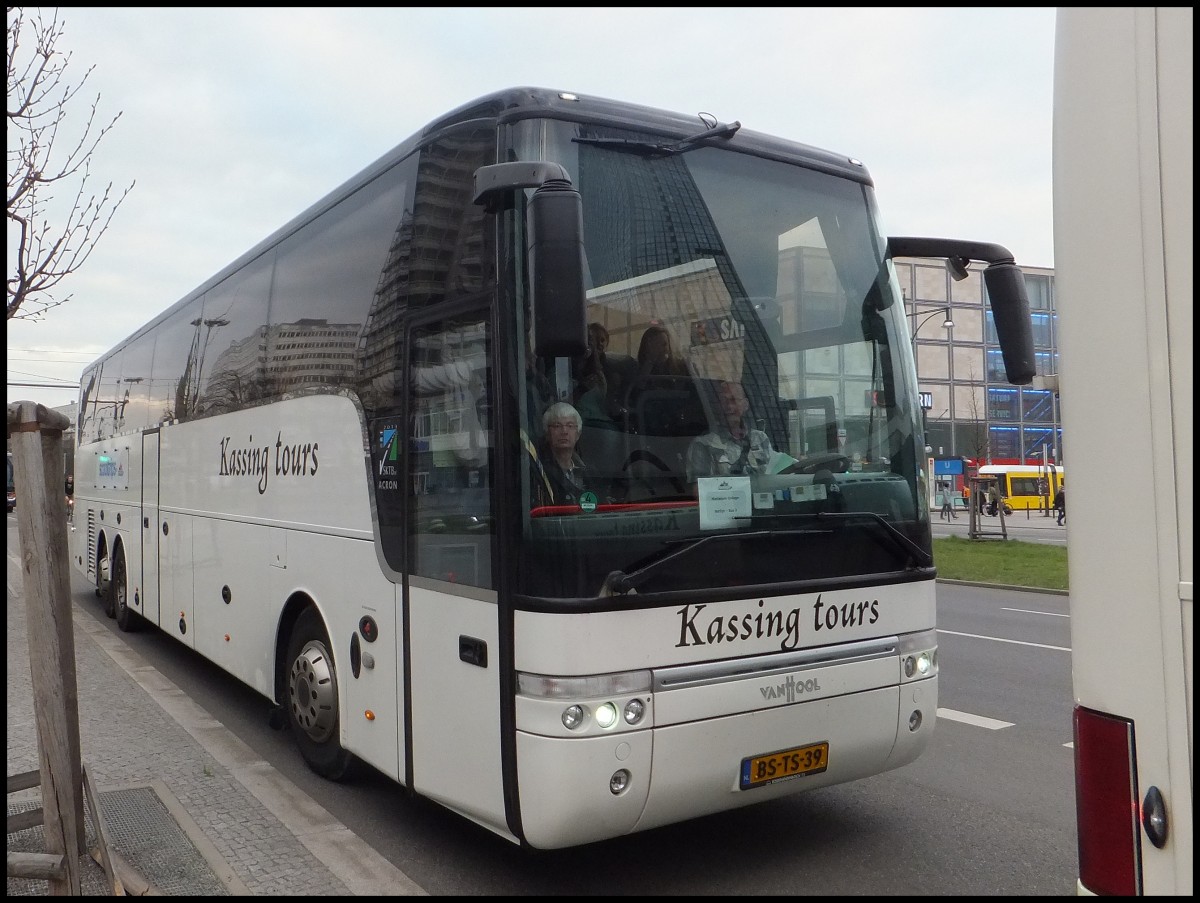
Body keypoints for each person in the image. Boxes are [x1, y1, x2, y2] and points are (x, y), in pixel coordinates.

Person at [686, 380, 777, 485]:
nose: (729, 406)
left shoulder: (761, 439)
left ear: (745, 405)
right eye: (724, 401)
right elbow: (698, 490)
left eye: (734, 400)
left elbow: (774, 479)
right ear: (717, 406)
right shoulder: (703, 444)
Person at [532, 402, 595, 507]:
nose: (564, 431)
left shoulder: (588, 471)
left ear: (578, 434)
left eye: (570, 426)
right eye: (557, 426)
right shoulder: (537, 470)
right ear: (547, 433)